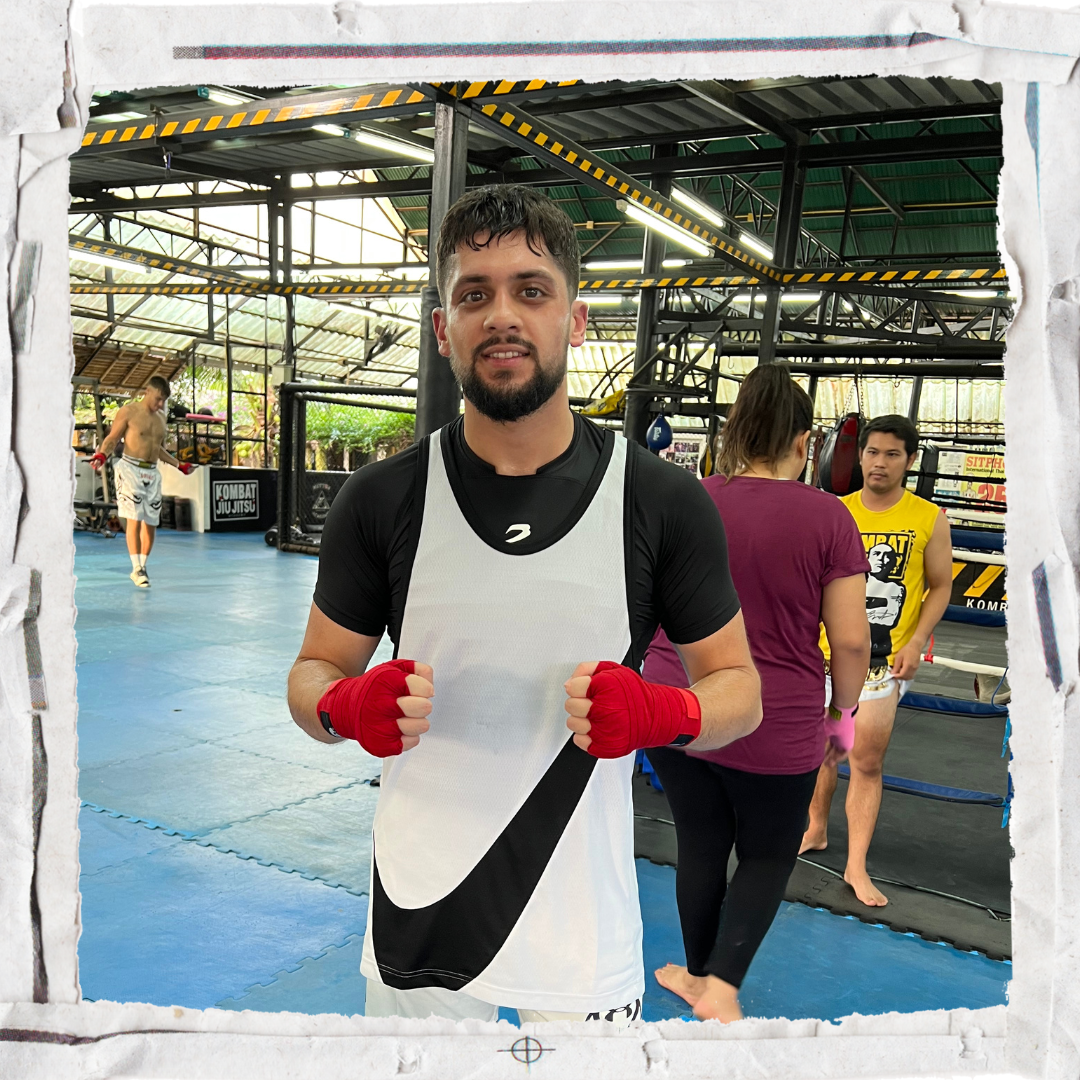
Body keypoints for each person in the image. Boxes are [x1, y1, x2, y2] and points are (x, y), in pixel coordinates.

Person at [287, 184, 762, 1027]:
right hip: (417, 915)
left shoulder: (660, 500)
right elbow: (313, 673)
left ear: (576, 321)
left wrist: (666, 713)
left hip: (582, 931)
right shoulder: (382, 499)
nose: (501, 314)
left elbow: (740, 693)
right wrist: (339, 704)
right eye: (474, 294)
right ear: (444, 330)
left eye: (531, 291)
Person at [642, 364, 871, 1023]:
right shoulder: (828, 517)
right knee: (768, 853)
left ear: (733, 430)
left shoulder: (688, 497)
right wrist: (843, 715)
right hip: (773, 719)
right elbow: (851, 641)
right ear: (805, 444)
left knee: (701, 842)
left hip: (679, 708)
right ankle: (721, 988)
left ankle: (694, 971)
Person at [801, 414, 953, 907]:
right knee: (822, 749)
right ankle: (816, 828)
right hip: (823, 657)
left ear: (910, 460)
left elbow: (941, 584)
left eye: (892, 454)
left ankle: (856, 866)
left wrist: (917, 642)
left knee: (864, 760)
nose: (879, 463)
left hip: (882, 661)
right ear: (857, 455)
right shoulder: (835, 511)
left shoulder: (928, 517)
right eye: (872, 452)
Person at [89, 376, 195, 588]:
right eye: (158, 399)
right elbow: (112, 439)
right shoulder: (129, 412)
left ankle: (143, 566)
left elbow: (157, 449)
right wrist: (102, 455)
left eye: (163, 400)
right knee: (134, 519)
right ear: (148, 391)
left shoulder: (161, 418)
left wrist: (178, 464)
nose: (160, 404)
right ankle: (136, 567)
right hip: (130, 469)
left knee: (151, 523)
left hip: (152, 472)